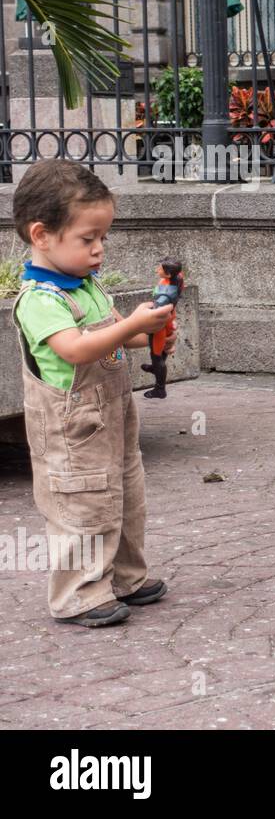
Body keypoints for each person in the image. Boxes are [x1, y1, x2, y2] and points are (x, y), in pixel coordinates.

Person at [10, 159, 175, 627]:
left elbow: (113, 336)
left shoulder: (86, 287)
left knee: (125, 496)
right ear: (41, 235)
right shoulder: (41, 299)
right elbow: (77, 349)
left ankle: (125, 577)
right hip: (73, 432)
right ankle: (79, 593)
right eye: (88, 239)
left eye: (103, 237)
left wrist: (150, 334)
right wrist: (131, 323)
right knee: (83, 506)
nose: (99, 249)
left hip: (115, 420)